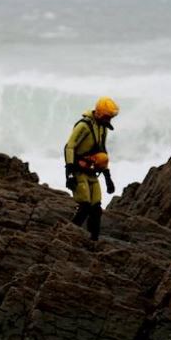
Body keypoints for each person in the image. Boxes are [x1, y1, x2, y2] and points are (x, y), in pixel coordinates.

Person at [63, 96, 119, 241]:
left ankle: (93, 241)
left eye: (110, 118)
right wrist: (69, 173)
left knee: (96, 209)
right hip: (78, 170)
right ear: (100, 113)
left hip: (91, 171)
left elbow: (102, 152)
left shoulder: (102, 129)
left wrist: (108, 177)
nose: (109, 120)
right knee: (85, 205)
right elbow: (69, 147)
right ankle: (67, 236)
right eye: (107, 117)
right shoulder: (84, 126)